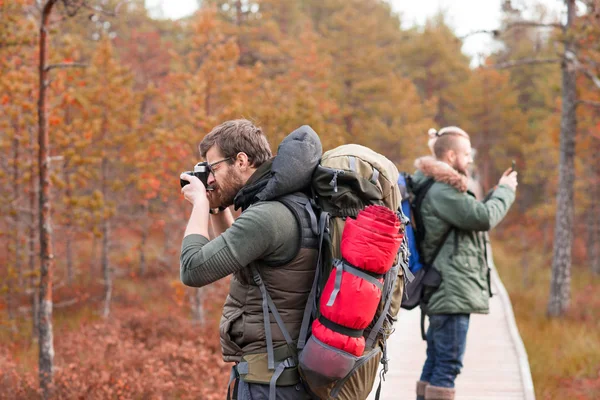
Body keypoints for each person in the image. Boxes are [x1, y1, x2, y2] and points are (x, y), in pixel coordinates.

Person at [179, 119, 320, 400]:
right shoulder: (288, 202)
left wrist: (200, 205)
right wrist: (217, 209)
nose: (209, 179)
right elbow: (240, 256)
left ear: (241, 161)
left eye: (213, 168)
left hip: (270, 382)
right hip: (287, 374)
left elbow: (193, 268)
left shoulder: (267, 215)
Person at [412, 127, 517, 400]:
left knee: (436, 361)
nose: (470, 159)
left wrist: (495, 193)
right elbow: (482, 218)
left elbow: (471, 214)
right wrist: (505, 192)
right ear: (450, 155)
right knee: (447, 365)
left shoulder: (438, 187)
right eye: (466, 154)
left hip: (444, 287)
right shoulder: (443, 191)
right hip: (452, 290)